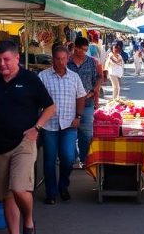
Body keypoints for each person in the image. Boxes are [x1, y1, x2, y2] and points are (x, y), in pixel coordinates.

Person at [0, 41, 57, 234]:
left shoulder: (30, 79)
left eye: (6, 59)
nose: (2, 64)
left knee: (18, 187)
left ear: (17, 58)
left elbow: (50, 107)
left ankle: (29, 221)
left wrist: (36, 128)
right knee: (7, 195)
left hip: (24, 142)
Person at [38, 44, 86, 204]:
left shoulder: (74, 77)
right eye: (58, 59)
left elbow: (81, 97)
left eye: (64, 59)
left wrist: (79, 116)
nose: (60, 62)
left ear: (68, 59)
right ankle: (51, 193)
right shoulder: (43, 76)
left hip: (69, 124)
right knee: (50, 160)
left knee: (68, 157)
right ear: (53, 59)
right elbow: (35, 99)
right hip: (49, 125)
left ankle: (63, 185)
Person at [68, 36, 103, 166]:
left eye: (85, 50)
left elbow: (99, 77)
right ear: (75, 48)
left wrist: (95, 91)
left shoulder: (91, 62)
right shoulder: (67, 62)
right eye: (81, 49)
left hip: (87, 101)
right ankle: (73, 158)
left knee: (86, 133)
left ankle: (85, 159)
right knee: (70, 131)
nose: (83, 52)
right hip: (69, 103)